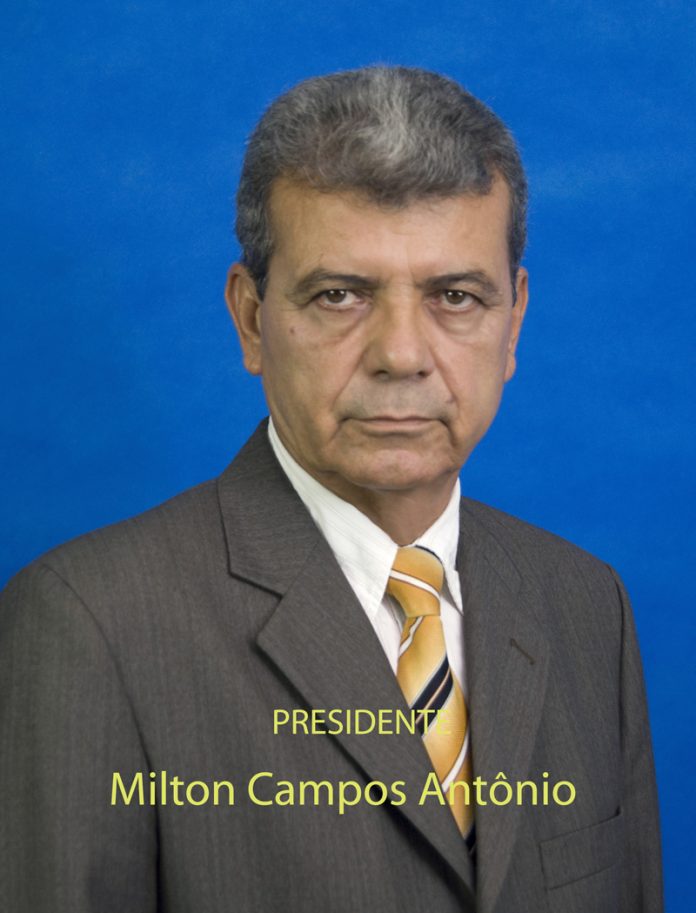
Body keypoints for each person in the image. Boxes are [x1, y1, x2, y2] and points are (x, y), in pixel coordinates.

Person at [0, 66, 662, 913]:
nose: (401, 354)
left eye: (456, 296)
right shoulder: (89, 626)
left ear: (514, 321)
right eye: (340, 295)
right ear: (251, 318)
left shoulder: (587, 606)